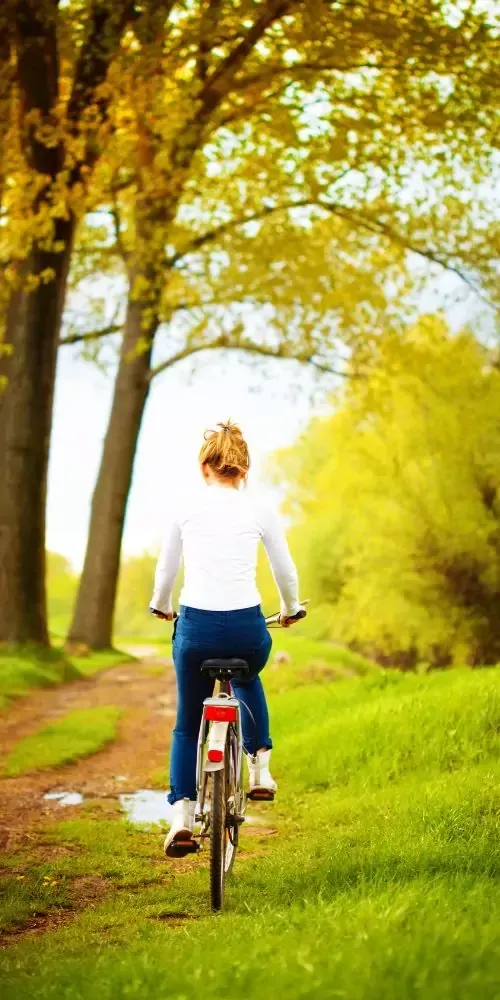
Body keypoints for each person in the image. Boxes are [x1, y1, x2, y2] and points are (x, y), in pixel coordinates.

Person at [150, 420, 303, 857]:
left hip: (195, 629)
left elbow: (166, 573)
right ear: (244, 469)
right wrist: (290, 609)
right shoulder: (260, 511)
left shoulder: (185, 509)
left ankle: (181, 817)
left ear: (204, 467)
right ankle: (260, 771)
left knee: (187, 722)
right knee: (248, 676)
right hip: (245, 628)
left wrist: (161, 605)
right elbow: (284, 572)